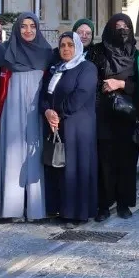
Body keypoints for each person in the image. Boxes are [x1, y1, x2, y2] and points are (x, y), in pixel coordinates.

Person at [0, 13, 55, 221]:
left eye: (32, 26)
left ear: (37, 29)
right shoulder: (4, 51)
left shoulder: (47, 52)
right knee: (12, 150)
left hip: (36, 108)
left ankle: (35, 207)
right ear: (16, 29)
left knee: (34, 150)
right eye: (23, 27)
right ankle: (12, 208)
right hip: (12, 105)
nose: (28, 31)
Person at [87, 13, 139, 220]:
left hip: (128, 116)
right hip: (103, 115)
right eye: (117, 26)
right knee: (104, 162)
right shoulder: (97, 51)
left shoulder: (136, 55)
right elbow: (88, 78)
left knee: (127, 161)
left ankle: (124, 204)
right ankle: (103, 205)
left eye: (126, 26)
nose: (122, 30)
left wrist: (121, 85)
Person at [42, 31, 99, 224]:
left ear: (78, 47)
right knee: (59, 168)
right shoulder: (56, 68)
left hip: (78, 128)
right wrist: (47, 111)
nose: (66, 49)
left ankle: (78, 212)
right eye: (63, 45)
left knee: (77, 168)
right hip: (57, 125)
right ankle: (61, 209)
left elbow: (81, 94)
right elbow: (44, 94)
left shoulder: (86, 67)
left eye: (70, 45)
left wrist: (58, 111)